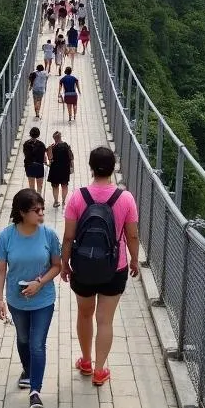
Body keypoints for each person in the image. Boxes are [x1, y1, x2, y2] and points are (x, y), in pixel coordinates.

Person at [61, 146, 140, 387]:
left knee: (85, 314)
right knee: (105, 320)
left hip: (83, 267)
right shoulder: (125, 198)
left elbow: (68, 237)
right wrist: (134, 259)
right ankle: (99, 370)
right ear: (114, 167)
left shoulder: (77, 196)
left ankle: (85, 361)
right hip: (114, 267)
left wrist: (65, 264)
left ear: (91, 167)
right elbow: (133, 235)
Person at [0, 189, 61, 408]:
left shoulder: (49, 235)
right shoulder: (6, 237)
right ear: (22, 212)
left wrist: (39, 283)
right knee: (23, 339)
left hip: (44, 299)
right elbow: (1, 270)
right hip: (17, 299)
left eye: (42, 209)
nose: (42, 214)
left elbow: (57, 266)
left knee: (37, 344)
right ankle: (27, 369)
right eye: (36, 210)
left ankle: (35, 391)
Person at [46, 130, 74, 208]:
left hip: (55, 169)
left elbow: (50, 159)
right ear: (60, 137)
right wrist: (72, 168)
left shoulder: (51, 147)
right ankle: (64, 201)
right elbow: (71, 158)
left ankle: (56, 201)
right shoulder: (66, 146)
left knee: (55, 186)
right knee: (64, 185)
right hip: (65, 169)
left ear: (54, 138)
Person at [23, 126, 47, 191]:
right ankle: (39, 197)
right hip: (39, 166)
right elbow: (44, 156)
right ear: (38, 134)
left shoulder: (26, 144)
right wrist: (45, 162)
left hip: (29, 165)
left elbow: (25, 154)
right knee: (39, 186)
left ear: (30, 134)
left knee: (31, 186)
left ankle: (33, 199)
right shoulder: (41, 144)